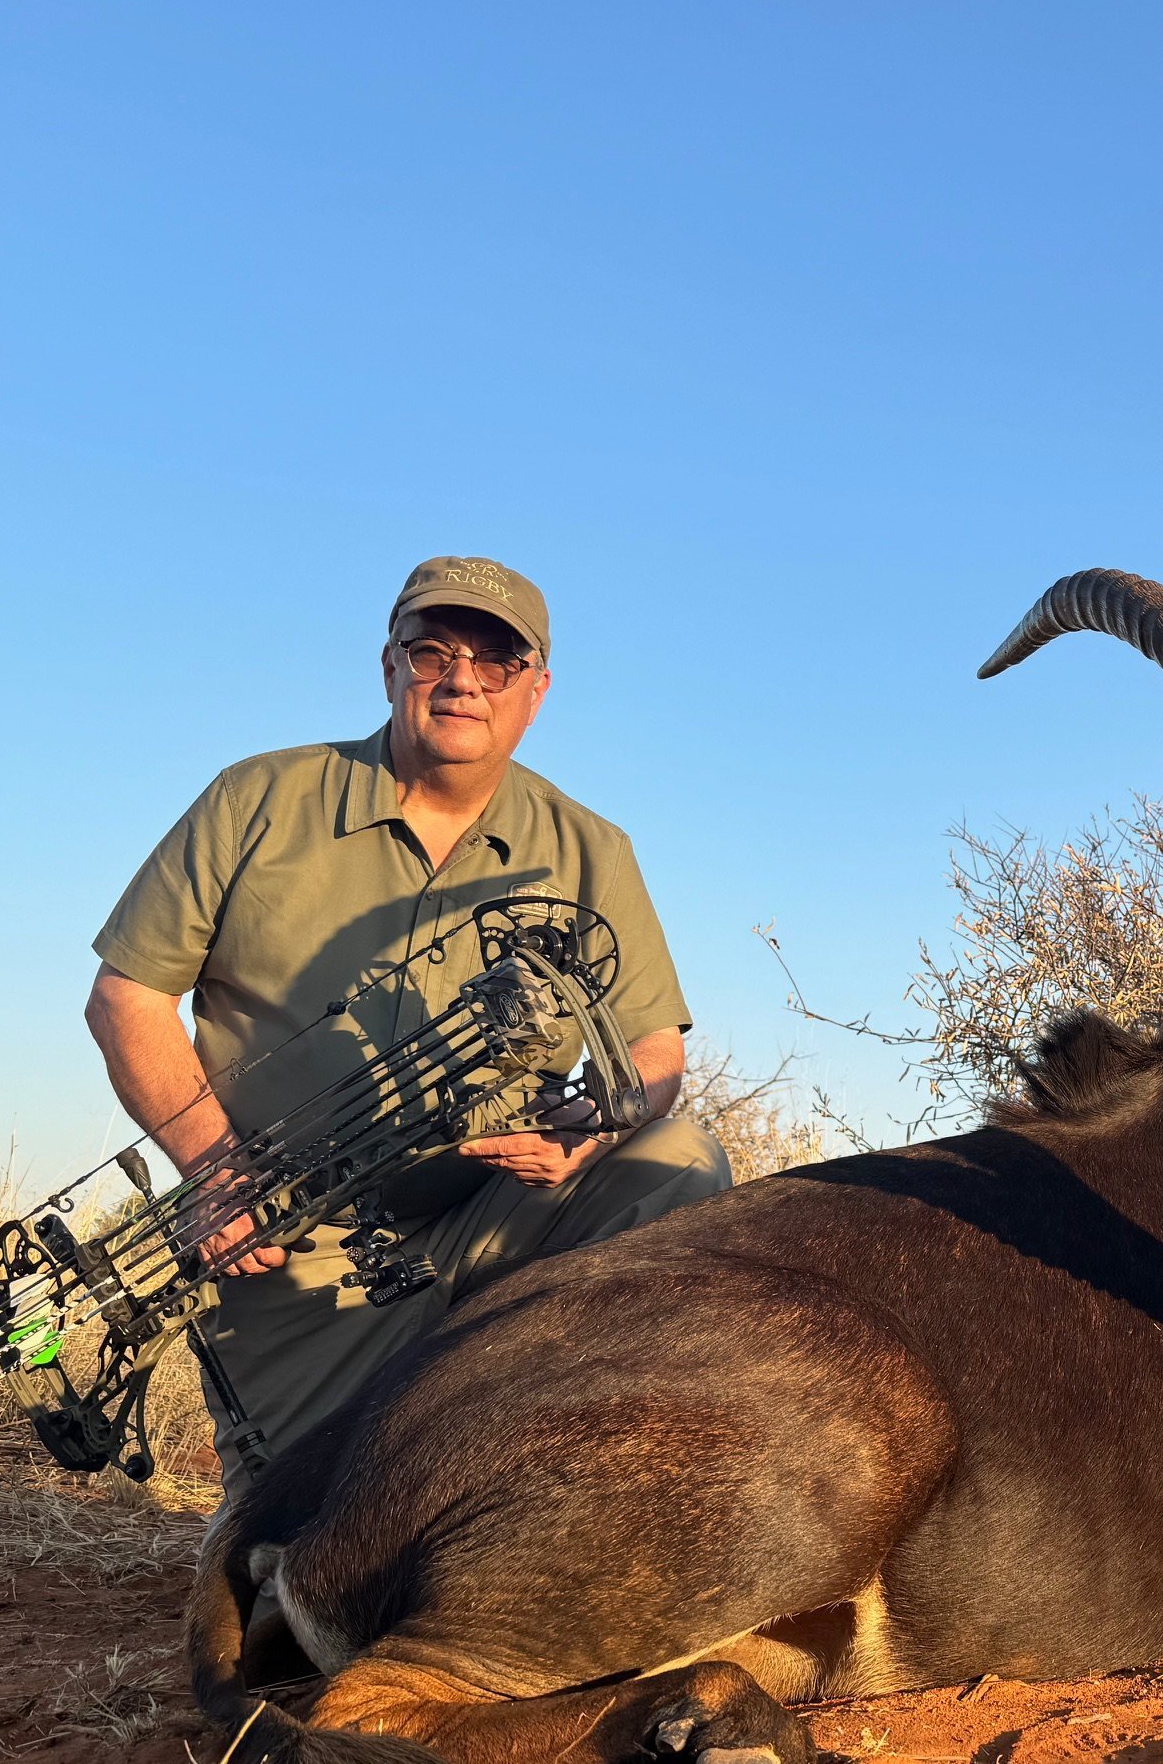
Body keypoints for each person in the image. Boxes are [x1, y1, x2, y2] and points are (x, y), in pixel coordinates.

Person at [86, 556, 730, 1497]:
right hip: (295, 1239)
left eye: (497, 662)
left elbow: (654, 1052)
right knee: (300, 1538)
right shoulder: (256, 798)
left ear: (535, 692)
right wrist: (218, 1176)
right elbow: (127, 998)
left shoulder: (592, 848)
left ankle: (580, 1478)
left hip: (501, 1217)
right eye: (433, 652)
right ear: (390, 666)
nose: (462, 680)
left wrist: (591, 1134)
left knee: (676, 1160)